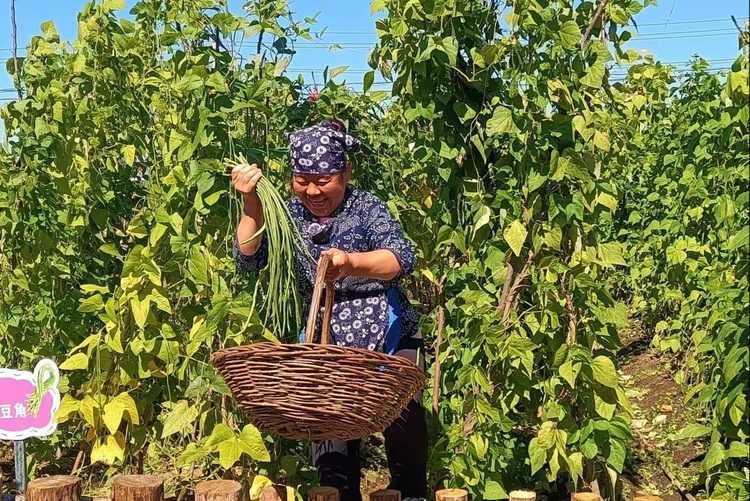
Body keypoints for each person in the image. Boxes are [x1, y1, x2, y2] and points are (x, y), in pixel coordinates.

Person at [230, 119, 428, 501]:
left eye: (324, 179)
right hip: (326, 338)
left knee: (405, 420)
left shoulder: (367, 207)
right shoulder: (287, 215)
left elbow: (401, 258)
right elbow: (248, 259)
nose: (313, 190)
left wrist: (349, 263)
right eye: (302, 180)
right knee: (328, 428)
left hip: (389, 331)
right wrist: (251, 202)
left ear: (346, 172)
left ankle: (410, 492)